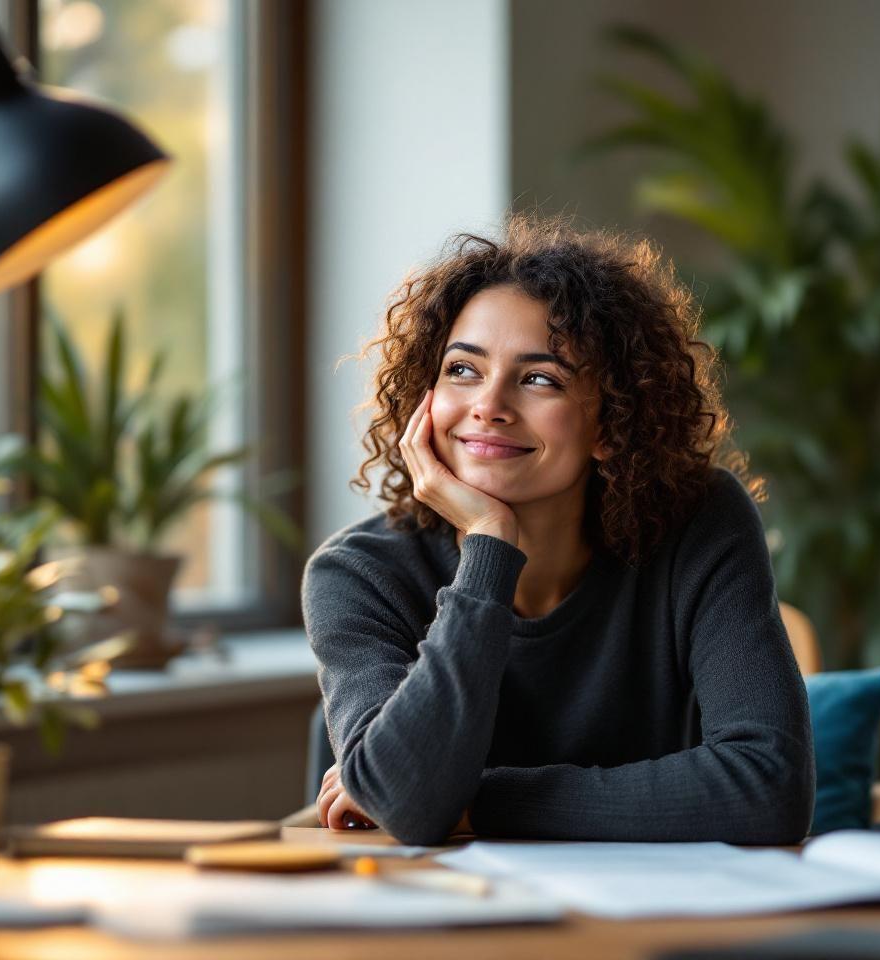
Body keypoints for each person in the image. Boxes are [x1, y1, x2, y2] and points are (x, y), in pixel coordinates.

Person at [302, 217, 814, 846]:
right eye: (462, 369)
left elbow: (770, 786)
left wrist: (475, 800)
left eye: (540, 378)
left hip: (649, 924)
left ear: (611, 423)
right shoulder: (356, 573)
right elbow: (407, 808)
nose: (488, 404)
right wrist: (490, 545)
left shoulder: (701, 524)